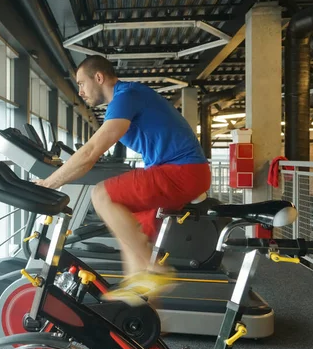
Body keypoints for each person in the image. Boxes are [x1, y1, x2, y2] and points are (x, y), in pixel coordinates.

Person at [34, 55, 211, 301]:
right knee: (132, 230)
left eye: (82, 83)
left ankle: (153, 272)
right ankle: (142, 316)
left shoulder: (125, 96)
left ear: (99, 77)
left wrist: (48, 183)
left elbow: (91, 152)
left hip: (182, 171)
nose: (81, 91)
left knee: (102, 194)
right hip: (183, 172)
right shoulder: (126, 98)